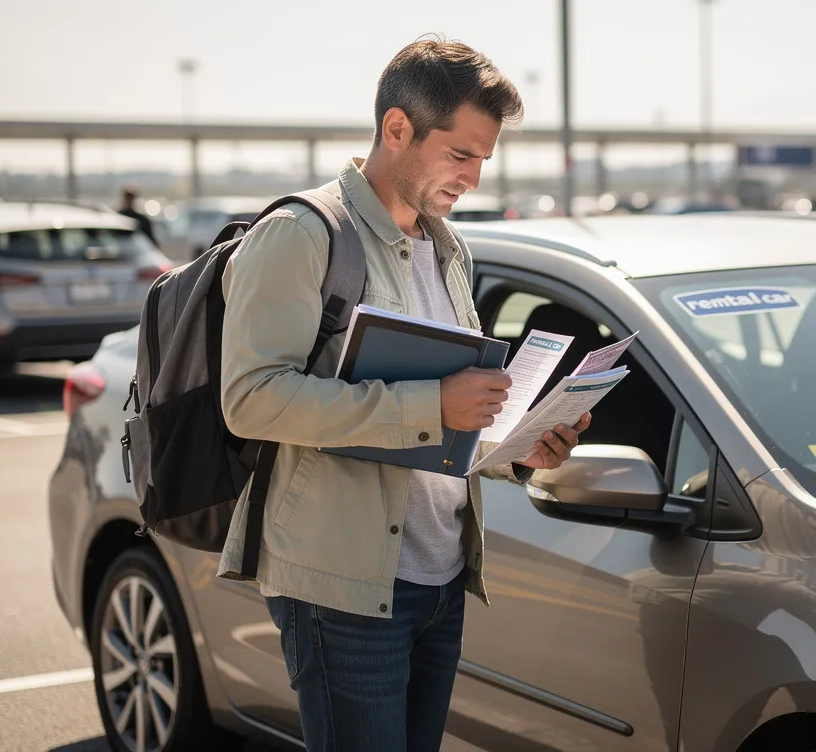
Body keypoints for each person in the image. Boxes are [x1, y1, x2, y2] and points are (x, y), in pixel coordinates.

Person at [215, 38, 591, 752]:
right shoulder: (300, 234)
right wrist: (431, 406)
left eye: (484, 158)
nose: (475, 179)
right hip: (344, 587)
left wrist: (519, 448)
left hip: (440, 574)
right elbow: (252, 399)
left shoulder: (451, 250)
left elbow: (454, 420)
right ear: (396, 129)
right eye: (461, 155)